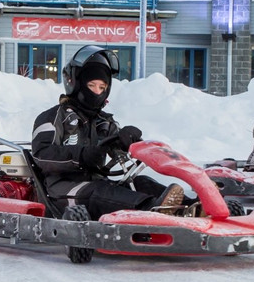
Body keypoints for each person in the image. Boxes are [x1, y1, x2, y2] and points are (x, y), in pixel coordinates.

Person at [31, 44, 186, 218]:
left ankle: (188, 207)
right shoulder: (53, 117)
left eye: (102, 87)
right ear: (76, 84)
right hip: (62, 190)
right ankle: (153, 211)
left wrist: (128, 140)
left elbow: (114, 145)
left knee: (141, 182)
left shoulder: (103, 121)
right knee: (100, 191)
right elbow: (41, 155)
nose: (97, 92)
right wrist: (83, 155)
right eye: (92, 85)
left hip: (96, 184)